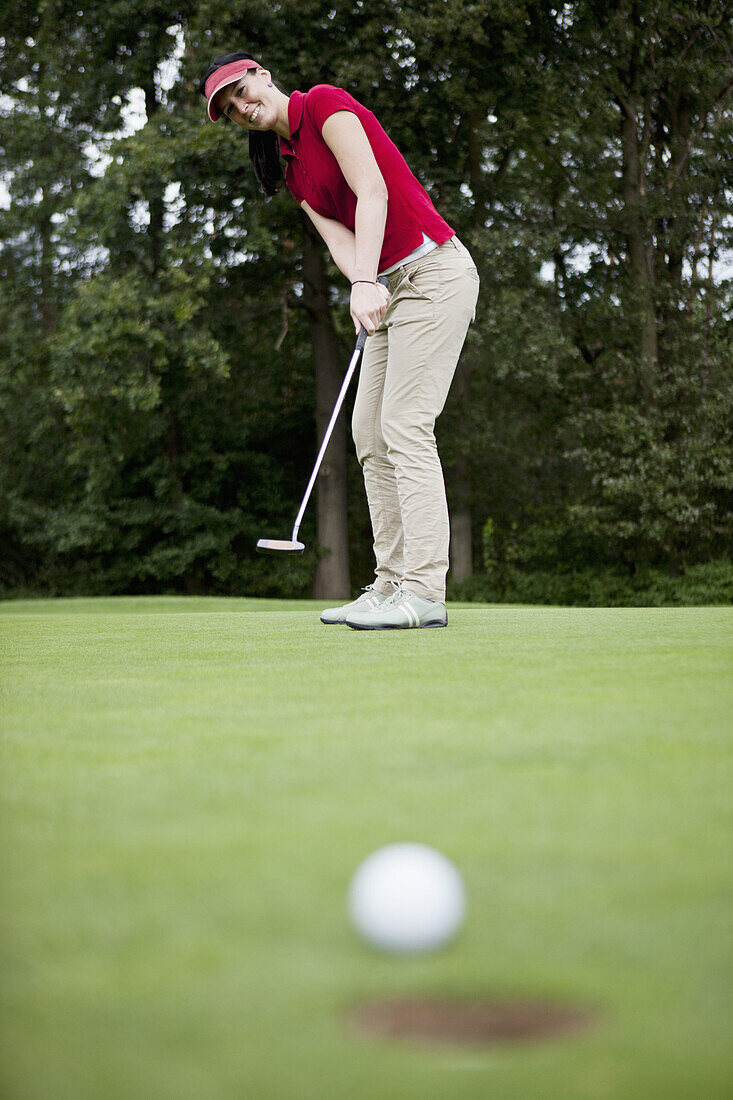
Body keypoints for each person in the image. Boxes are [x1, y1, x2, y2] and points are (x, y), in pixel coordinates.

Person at [200, 52, 479, 630]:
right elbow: (339, 238)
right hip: (384, 286)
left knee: (404, 424)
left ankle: (425, 592)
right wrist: (363, 288)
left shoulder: (324, 103)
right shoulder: (288, 168)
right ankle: (390, 584)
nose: (241, 107)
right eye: (229, 110)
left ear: (263, 76)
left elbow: (372, 192)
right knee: (367, 433)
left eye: (241, 91)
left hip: (432, 272)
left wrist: (365, 281)